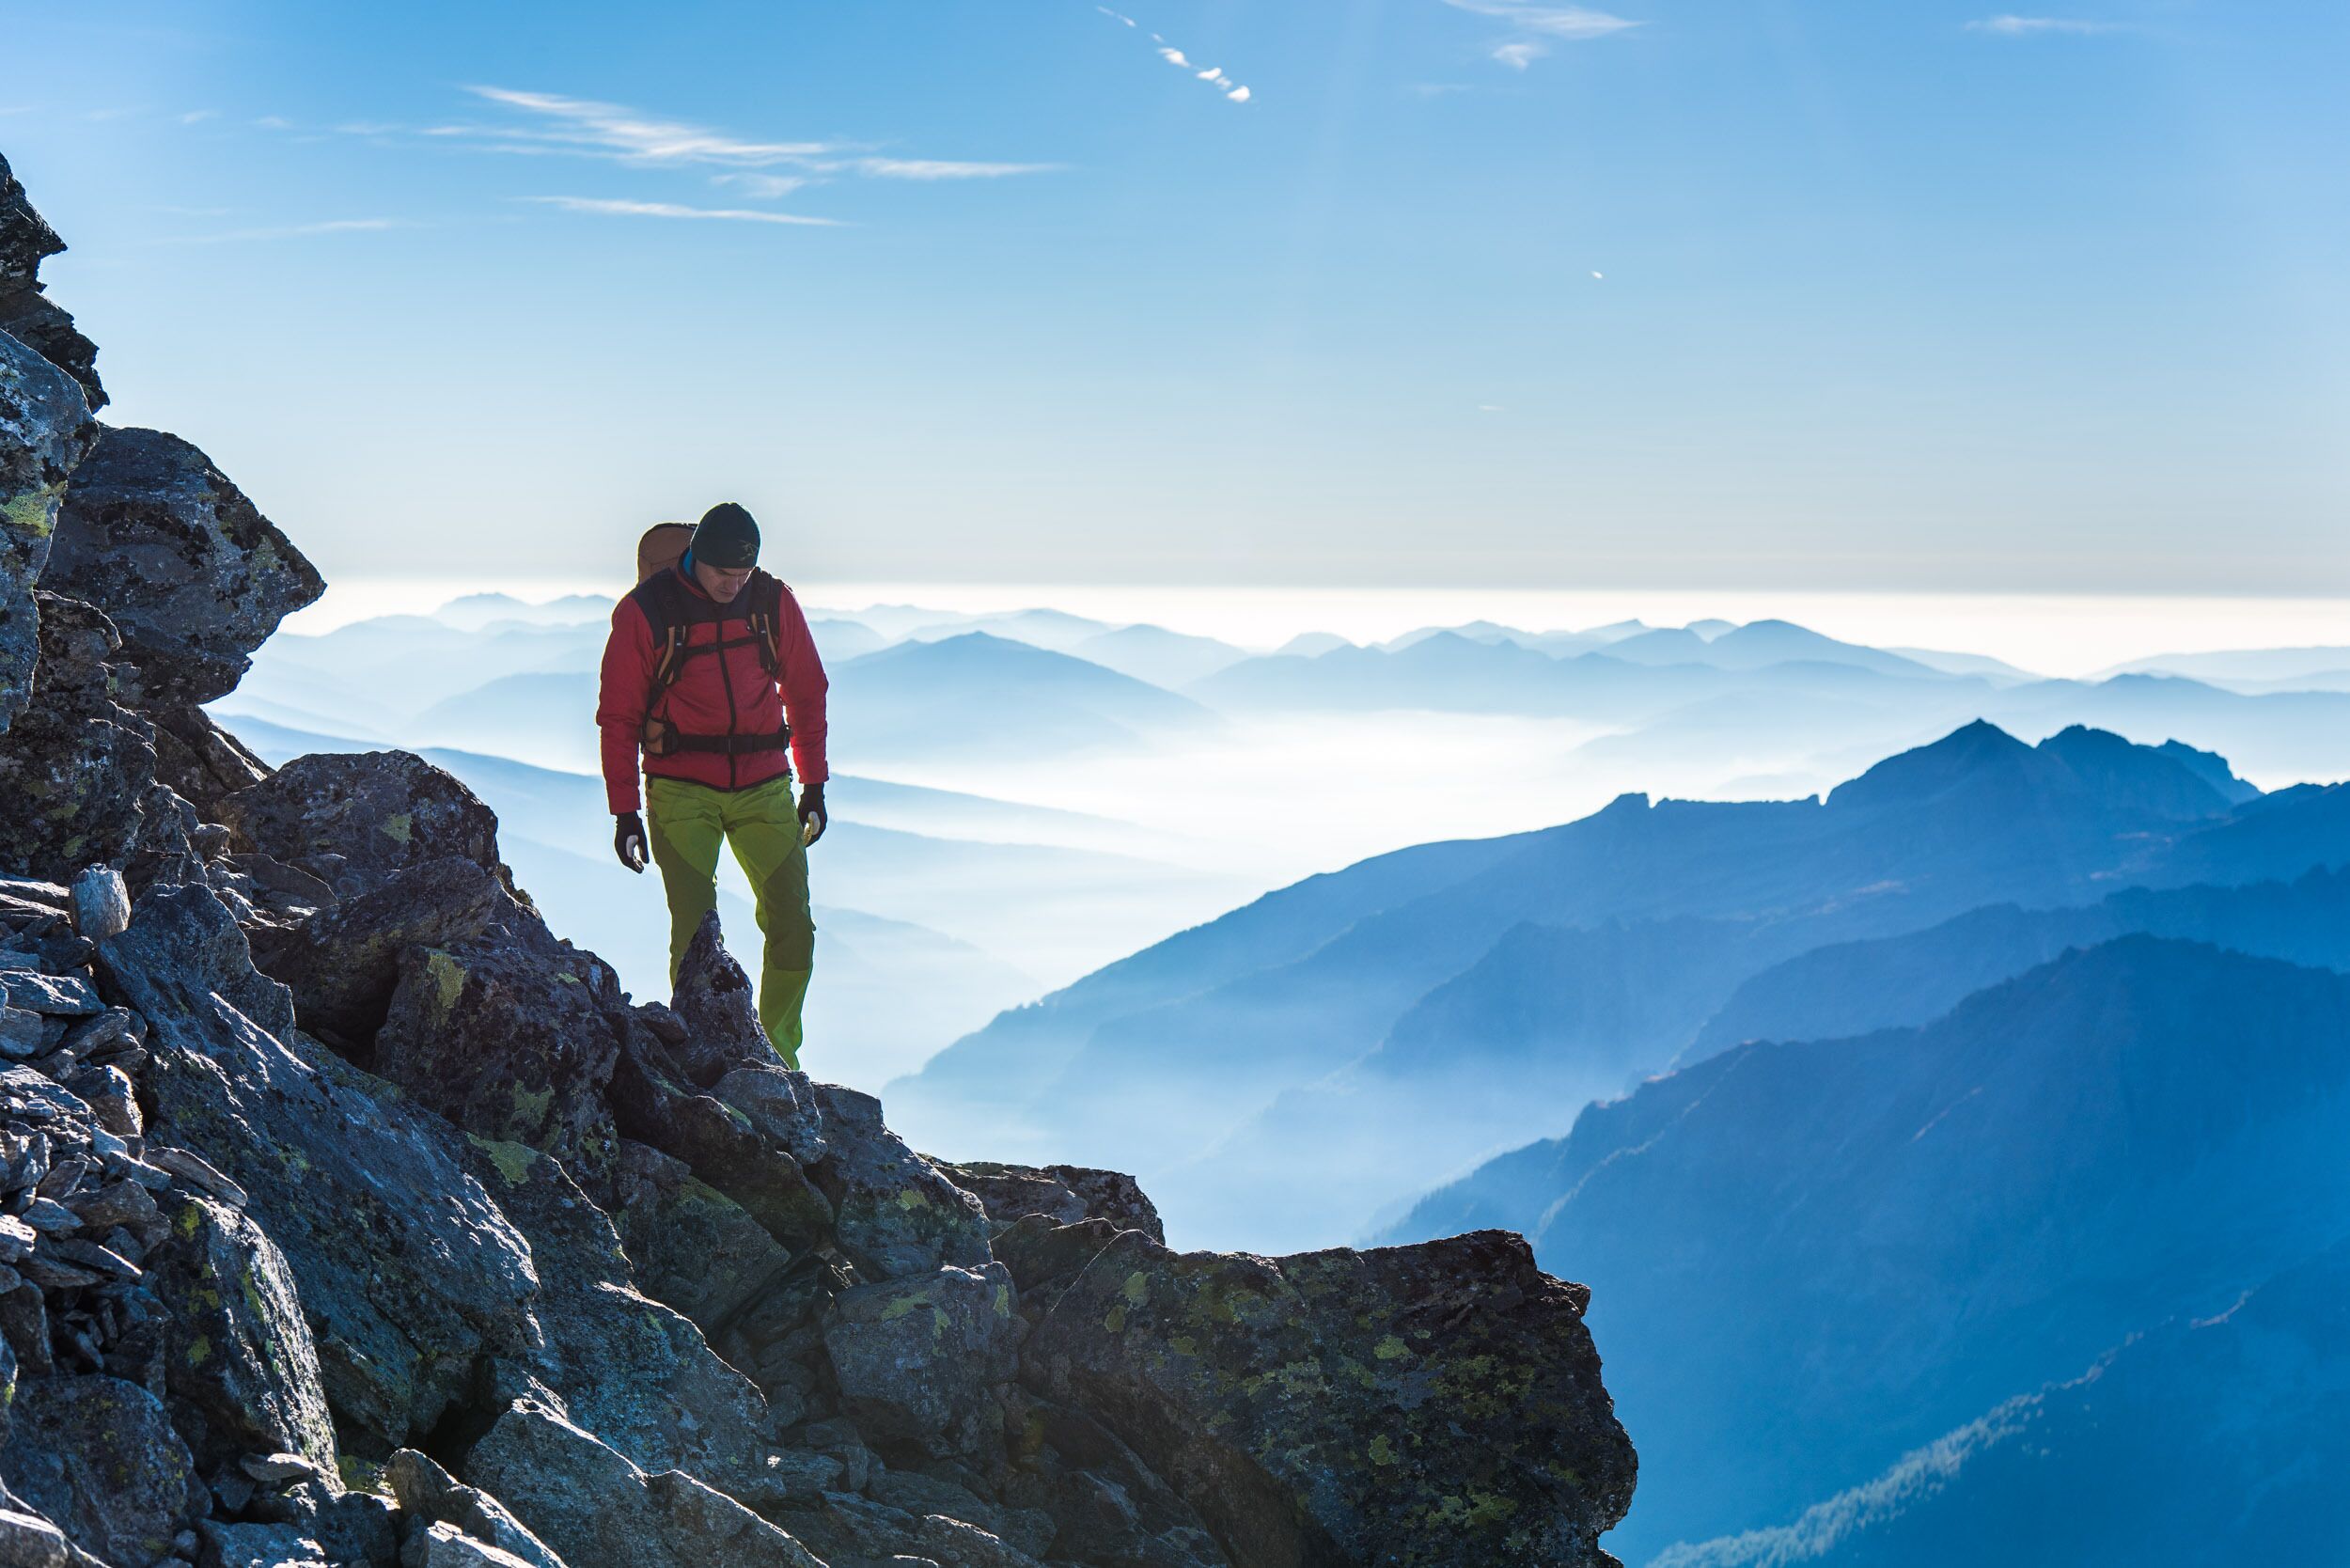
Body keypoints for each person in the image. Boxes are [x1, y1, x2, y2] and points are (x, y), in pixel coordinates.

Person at [595, 502, 830, 1068]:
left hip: (765, 785)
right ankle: (696, 1055)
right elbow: (618, 716)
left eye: (743, 574)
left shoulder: (772, 601)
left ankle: (779, 1061)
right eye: (724, 574)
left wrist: (814, 784)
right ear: (696, 557)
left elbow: (806, 691)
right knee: (698, 934)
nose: (734, 585)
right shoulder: (646, 612)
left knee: (794, 924)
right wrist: (624, 811)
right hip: (680, 790)